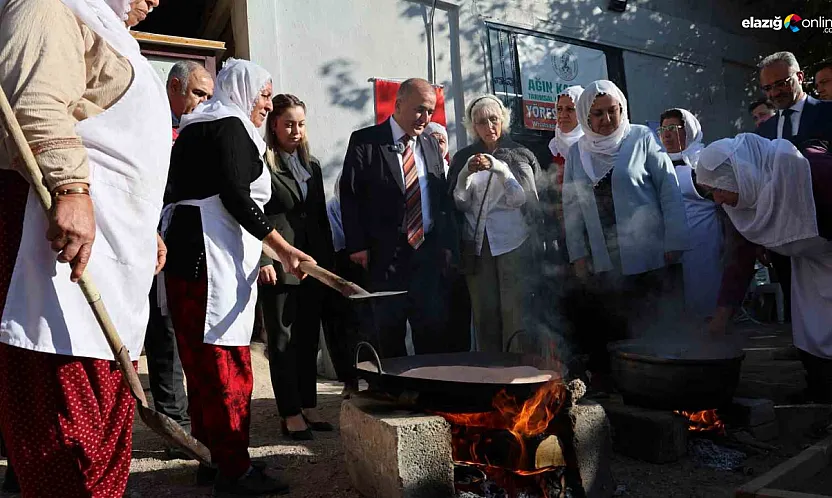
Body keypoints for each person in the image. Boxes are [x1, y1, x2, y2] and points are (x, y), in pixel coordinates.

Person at [0, 0, 168, 496]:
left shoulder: (110, 32)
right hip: (55, 257)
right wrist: (71, 188)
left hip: (112, 257)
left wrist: (142, 228)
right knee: (66, 437)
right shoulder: (49, 5)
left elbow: (119, 152)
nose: (154, 0)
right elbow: (34, 101)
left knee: (105, 431)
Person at [163, 59, 313, 496]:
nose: (267, 103)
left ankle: (213, 460)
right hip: (209, 261)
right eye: (264, 94)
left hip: (190, 258)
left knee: (202, 366)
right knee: (227, 369)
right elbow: (233, 194)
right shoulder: (227, 125)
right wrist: (282, 249)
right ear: (243, 89)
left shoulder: (197, 125)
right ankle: (235, 471)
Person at [561, 80, 689, 389]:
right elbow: (571, 206)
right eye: (597, 114)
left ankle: (656, 382)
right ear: (585, 117)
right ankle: (614, 385)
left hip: (647, 251)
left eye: (612, 112)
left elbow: (669, 191)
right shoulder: (578, 151)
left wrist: (675, 240)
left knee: (649, 319)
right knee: (609, 320)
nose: (606, 121)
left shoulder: (642, 138)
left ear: (623, 109)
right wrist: (577, 254)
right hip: (601, 254)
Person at [696, 134, 832, 402]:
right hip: (808, 262)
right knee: (812, 327)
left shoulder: (810, 170)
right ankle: (822, 391)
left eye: (719, 190)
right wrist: (722, 317)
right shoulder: (742, 200)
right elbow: (739, 260)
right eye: (711, 193)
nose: (718, 200)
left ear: (738, 174)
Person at [340, 78, 454, 358]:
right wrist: (357, 245)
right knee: (388, 329)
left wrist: (446, 244)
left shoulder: (430, 143)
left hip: (425, 252)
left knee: (429, 327)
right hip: (385, 254)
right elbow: (350, 195)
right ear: (399, 104)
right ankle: (392, 395)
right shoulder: (366, 141)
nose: (425, 118)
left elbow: (440, 198)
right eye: (419, 110)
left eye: (430, 111)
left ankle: (427, 392)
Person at [144, 60, 215, 459]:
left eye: (209, 95)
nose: (204, 102)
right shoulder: (154, 120)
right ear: (174, 87)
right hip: (141, 234)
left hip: (176, 245)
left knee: (168, 329)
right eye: (198, 93)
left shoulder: (201, 130)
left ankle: (179, 425)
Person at [257, 94, 335, 440]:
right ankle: (289, 412)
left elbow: (318, 219)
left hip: (311, 264)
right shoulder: (262, 163)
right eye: (289, 123)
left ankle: (309, 404)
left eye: (301, 123)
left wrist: (327, 266)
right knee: (283, 341)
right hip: (278, 262)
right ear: (274, 125)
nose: (296, 130)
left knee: (308, 339)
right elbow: (253, 215)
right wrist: (262, 259)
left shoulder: (312, 166)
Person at [449, 95, 539, 353]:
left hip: (513, 241)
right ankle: (488, 370)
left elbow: (525, 199)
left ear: (503, 121)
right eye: (481, 122)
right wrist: (465, 172)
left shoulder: (519, 153)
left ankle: (515, 369)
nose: (489, 126)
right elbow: (459, 204)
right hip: (476, 244)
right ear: (472, 126)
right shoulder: (463, 156)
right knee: (484, 311)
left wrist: (501, 169)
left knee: (515, 310)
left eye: (494, 120)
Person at [756, 51, 832, 323]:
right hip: (783, 235)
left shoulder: (828, 112)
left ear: (799, 77)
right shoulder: (764, 131)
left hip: (825, 231)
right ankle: (802, 350)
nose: (775, 93)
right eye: (768, 88)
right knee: (794, 301)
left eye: (781, 83)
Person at [658, 108, 723, 318]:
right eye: (663, 129)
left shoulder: (705, 162)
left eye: (672, 128)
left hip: (704, 243)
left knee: (703, 297)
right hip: (671, 247)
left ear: (690, 130)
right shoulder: (659, 165)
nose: (666, 134)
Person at [322, 173, 364, 397]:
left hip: (366, 271)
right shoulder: (332, 209)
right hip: (338, 271)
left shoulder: (369, 209)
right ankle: (350, 381)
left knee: (368, 328)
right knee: (341, 329)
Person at [542, 86, 584, 274]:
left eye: (570, 109)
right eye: (559, 109)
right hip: (559, 232)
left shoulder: (593, 147)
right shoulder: (552, 147)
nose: (563, 115)